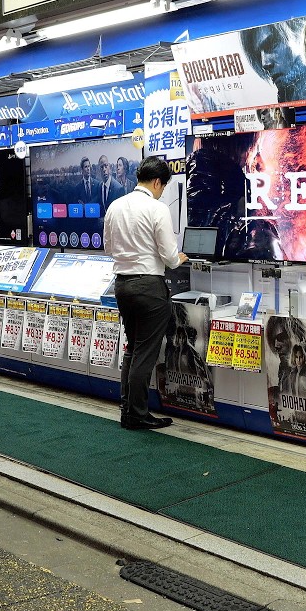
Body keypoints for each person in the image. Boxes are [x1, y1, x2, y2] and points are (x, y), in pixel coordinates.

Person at [103, 157, 187, 430]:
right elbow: (169, 256)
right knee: (145, 353)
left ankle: (128, 409)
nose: (162, 192)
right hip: (150, 288)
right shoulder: (157, 208)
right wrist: (180, 259)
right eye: (163, 187)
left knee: (133, 348)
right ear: (157, 182)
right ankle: (138, 414)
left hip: (123, 286)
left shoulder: (115, 205)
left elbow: (108, 248)